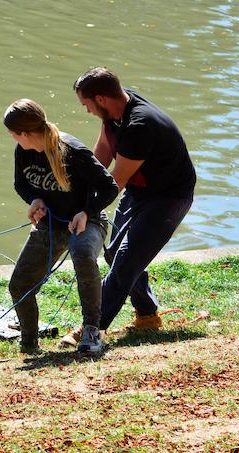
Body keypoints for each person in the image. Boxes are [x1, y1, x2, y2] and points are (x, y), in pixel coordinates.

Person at [66, 67, 197, 343]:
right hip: (141, 191)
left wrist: (87, 210)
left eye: (86, 104)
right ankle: (147, 315)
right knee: (115, 254)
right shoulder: (115, 112)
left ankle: (92, 326)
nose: (86, 111)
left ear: (100, 99)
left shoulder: (140, 125)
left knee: (126, 259)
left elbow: (116, 181)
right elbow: (101, 154)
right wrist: (75, 192)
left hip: (168, 197)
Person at [4, 99, 119, 354]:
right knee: (19, 285)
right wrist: (34, 199)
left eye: (13, 134)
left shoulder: (72, 150)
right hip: (51, 224)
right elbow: (21, 184)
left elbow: (109, 187)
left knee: (82, 254)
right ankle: (29, 342)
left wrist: (86, 212)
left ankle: (92, 331)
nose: (13, 139)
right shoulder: (22, 150)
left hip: (87, 220)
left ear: (22, 133)